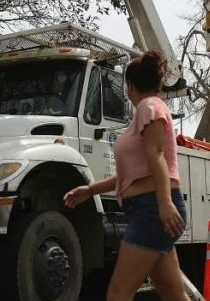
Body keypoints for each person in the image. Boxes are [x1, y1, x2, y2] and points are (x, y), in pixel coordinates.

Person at [63, 50, 189, 301]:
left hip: (151, 209)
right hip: (147, 208)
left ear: (130, 86)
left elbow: (157, 156)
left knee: (119, 293)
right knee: (173, 294)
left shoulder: (149, 106)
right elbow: (129, 176)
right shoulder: (143, 113)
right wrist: (89, 190)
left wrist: (164, 203)